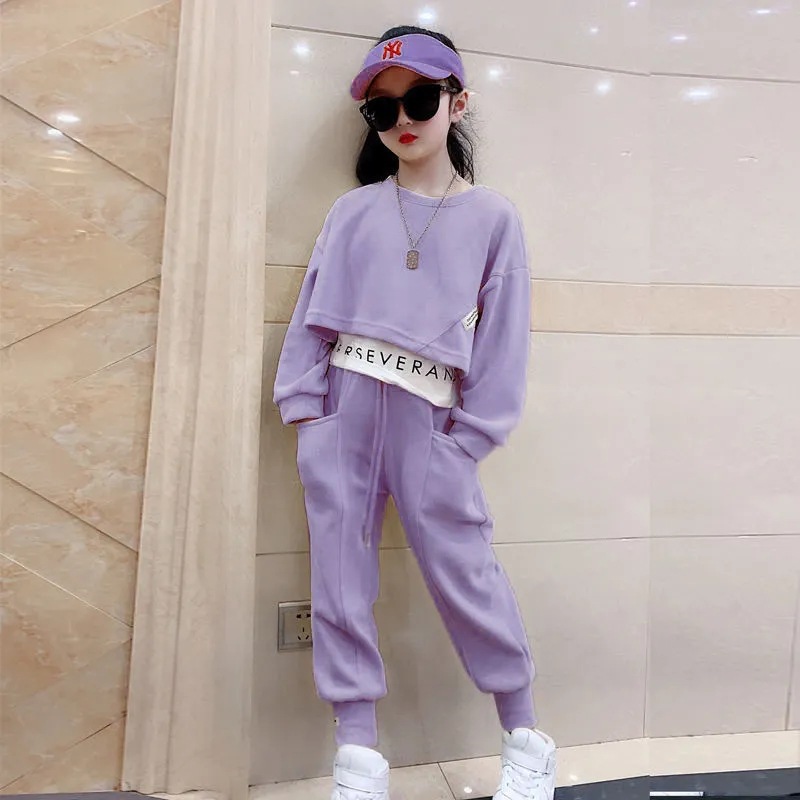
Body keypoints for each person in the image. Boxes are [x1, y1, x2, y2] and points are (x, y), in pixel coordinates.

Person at [273, 24, 557, 800]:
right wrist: (306, 411)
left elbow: (503, 341)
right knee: (339, 577)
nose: (402, 119)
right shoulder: (352, 211)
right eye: (383, 108)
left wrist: (468, 441)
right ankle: (358, 759)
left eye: (421, 99)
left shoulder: (493, 218)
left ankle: (525, 740)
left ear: (457, 103)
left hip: (432, 419)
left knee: (466, 573)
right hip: (343, 406)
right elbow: (312, 317)